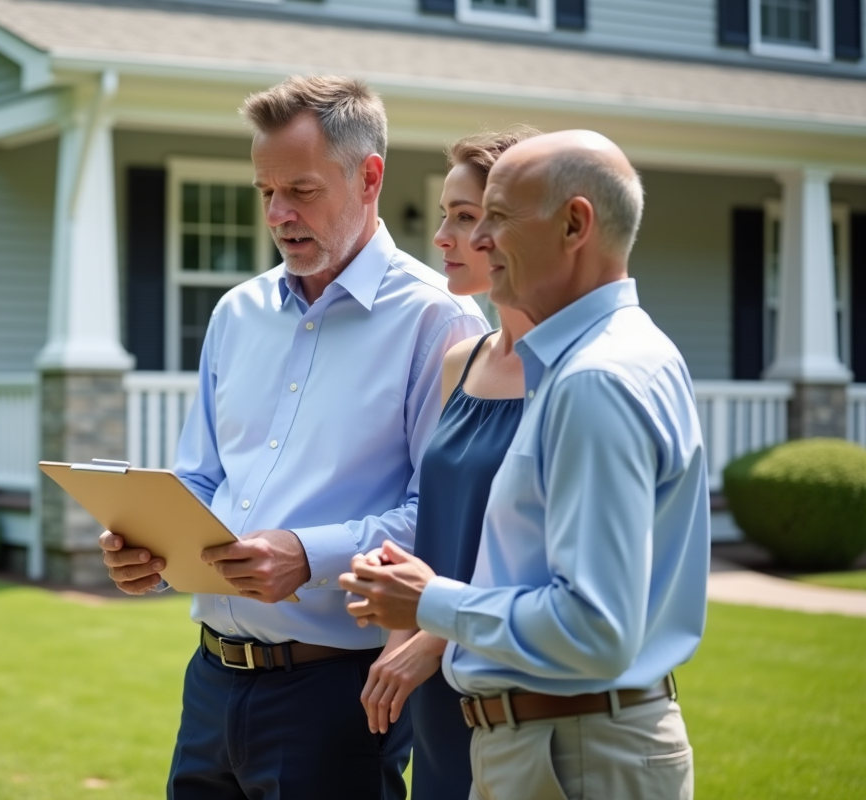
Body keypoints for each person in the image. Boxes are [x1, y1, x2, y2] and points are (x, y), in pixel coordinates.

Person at [99, 75, 490, 800]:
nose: (279, 214)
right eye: (265, 192)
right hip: (211, 682)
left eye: (302, 191)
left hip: (338, 693)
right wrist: (152, 548)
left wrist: (309, 555)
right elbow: (204, 477)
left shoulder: (439, 324)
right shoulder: (236, 313)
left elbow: (443, 520)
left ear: (369, 177)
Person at [341, 129, 709, 800]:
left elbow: (595, 630)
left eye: (497, 217)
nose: (480, 239)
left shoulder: (594, 379)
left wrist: (432, 604)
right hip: (548, 741)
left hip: (571, 751)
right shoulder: (604, 356)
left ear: (575, 224)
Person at [356, 128, 538, 800]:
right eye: (444, 215)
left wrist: (430, 635)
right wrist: (396, 640)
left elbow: (541, 555)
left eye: (465, 217)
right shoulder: (460, 362)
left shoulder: (573, 373)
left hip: (517, 681)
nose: (443, 238)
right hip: (432, 685)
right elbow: (436, 518)